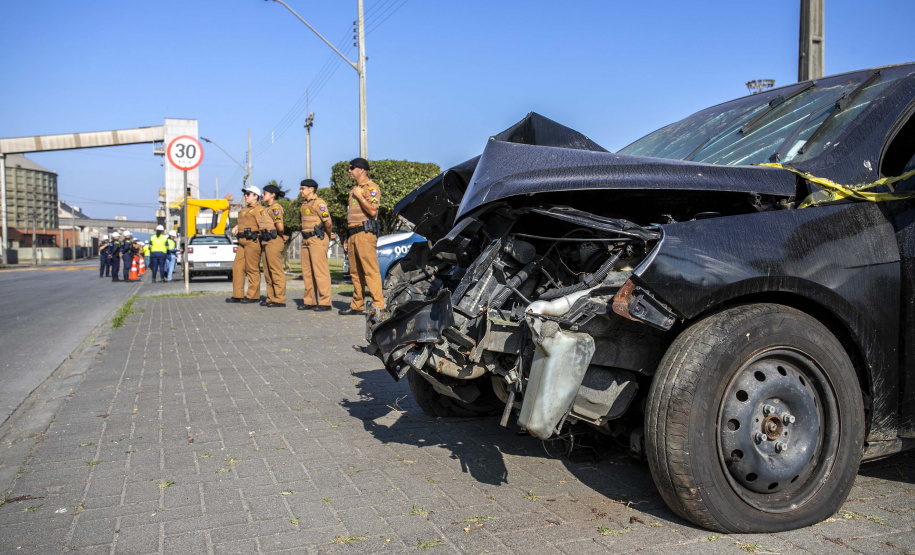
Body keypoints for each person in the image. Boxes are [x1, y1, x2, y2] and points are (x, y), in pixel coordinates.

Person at [342, 157, 384, 315]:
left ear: (361, 170)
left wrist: (360, 196)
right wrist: (347, 237)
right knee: (355, 271)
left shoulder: (370, 188)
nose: (349, 171)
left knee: (370, 270)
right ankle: (357, 304)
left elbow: (373, 211)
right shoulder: (354, 189)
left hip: (365, 234)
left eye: (352, 168)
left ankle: (378, 304)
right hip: (353, 234)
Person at [297, 179, 335, 311]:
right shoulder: (304, 204)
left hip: (317, 239)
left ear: (311, 189)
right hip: (306, 240)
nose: (301, 191)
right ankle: (310, 300)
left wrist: (329, 235)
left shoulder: (319, 203)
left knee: (320, 271)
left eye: (303, 188)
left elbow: (327, 222)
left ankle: (325, 302)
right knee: (307, 272)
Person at [226, 185, 266, 303]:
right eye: (245, 193)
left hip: (252, 241)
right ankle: (237, 294)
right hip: (242, 241)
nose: (245, 196)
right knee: (237, 267)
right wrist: (237, 227)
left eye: (248, 194)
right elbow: (247, 222)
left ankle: (253, 296)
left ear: (256, 196)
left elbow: (262, 225)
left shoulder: (259, 210)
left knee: (252, 269)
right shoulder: (245, 209)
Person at [259, 184, 288, 307]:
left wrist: (281, 234)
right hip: (266, 241)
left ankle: (279, 299)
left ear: (272, 195)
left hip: (274, 240)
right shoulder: (267, 209)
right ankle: (271, 297)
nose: (262, 195)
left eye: (265, 193)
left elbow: (280, 226)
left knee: (275, 270)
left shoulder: (275, 208)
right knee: (267, 271)